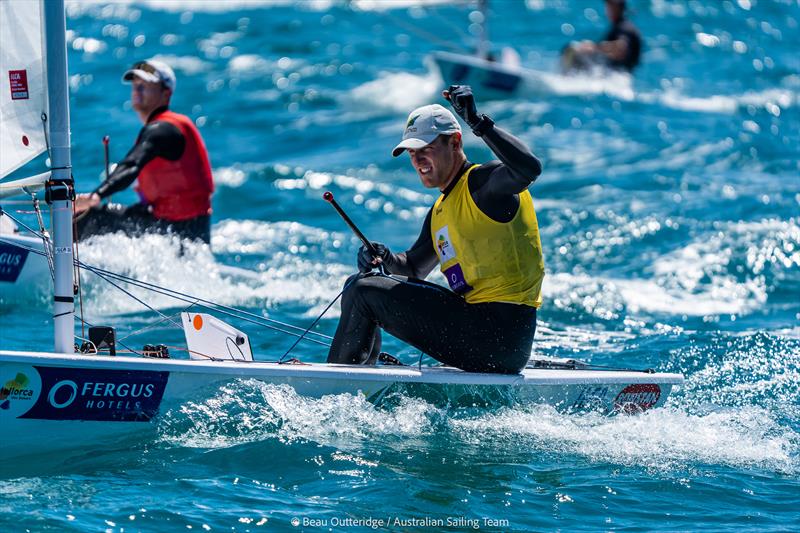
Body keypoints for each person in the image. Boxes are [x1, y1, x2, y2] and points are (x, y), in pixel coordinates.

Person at [326, 85, 545, 374]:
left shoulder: (484, 184)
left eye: (426, 149)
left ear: (455, 142)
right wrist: (384, 256)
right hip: (479, 333)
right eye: (411, 153)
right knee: (358, 283)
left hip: (502, 337)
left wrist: (478, 122)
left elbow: (528, 169)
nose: (417, 161)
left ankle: (337, 386)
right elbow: (414, 267)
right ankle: (361, 377)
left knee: (364, 291)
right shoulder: (441, 209)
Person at [74, 59, 214, 243]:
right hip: (161, 222)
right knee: (99, 216)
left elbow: (132, 164)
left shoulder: (165, 129)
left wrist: (96, 195)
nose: (137, 90)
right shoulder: (158, 128)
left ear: (166, 94)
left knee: (88, 217)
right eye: (135, 85)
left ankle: (55, 260)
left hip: (180, 231)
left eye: (145, 85)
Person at [561, 0, 642, 73]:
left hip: (615, 70)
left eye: (610, 7)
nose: (607, 9)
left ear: (618, 8)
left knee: (572, 49)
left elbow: (621, 48)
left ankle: (566, 78)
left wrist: (594, 47)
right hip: (616, 70)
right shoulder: (623, 25)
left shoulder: (624, 27)